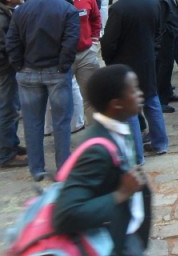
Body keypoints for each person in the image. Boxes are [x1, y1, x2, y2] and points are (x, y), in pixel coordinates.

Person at [53, 64, 152, 255]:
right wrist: (121, 193)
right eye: (133, 90)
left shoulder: (120, 129)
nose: (140, 94)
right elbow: (65, 214)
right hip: (113, 244)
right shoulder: (97, 151)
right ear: (116, 104)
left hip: (127, 234)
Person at [6, 0, 80, 181]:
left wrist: (19, 65)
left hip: (28, 71)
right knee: (61, 122)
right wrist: (63, 66)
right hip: (55, 71)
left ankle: (37, 168)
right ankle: (63, 167)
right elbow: (70, 42)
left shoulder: (22, 9)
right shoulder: (68, 9)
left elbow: (12, 41)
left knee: (32, 122)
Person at [101, 0, 167, 162]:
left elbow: (109, 41)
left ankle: (137, 156)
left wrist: (109, 60)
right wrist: (153, 51)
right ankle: (160, 143)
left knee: (129, 109)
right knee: (152, 101)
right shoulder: (153, 3)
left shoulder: (118, 8)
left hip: (124, 65)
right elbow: (158, 32)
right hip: (147, 61)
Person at [0, 0, 27, 168]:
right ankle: (6, 155)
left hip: (6, 69)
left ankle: (12, 145)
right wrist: (15, 64)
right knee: (8, 110)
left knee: (12, 108)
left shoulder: (4, 11)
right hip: (4, 71)